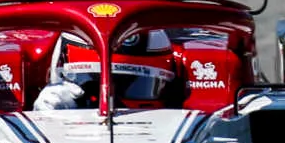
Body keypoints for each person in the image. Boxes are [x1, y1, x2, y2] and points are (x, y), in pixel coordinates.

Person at [31, 29, 179, 110]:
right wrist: (45, 121)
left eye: (140, 85)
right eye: (94, 85)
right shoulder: (59, 100)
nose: (113, 106)